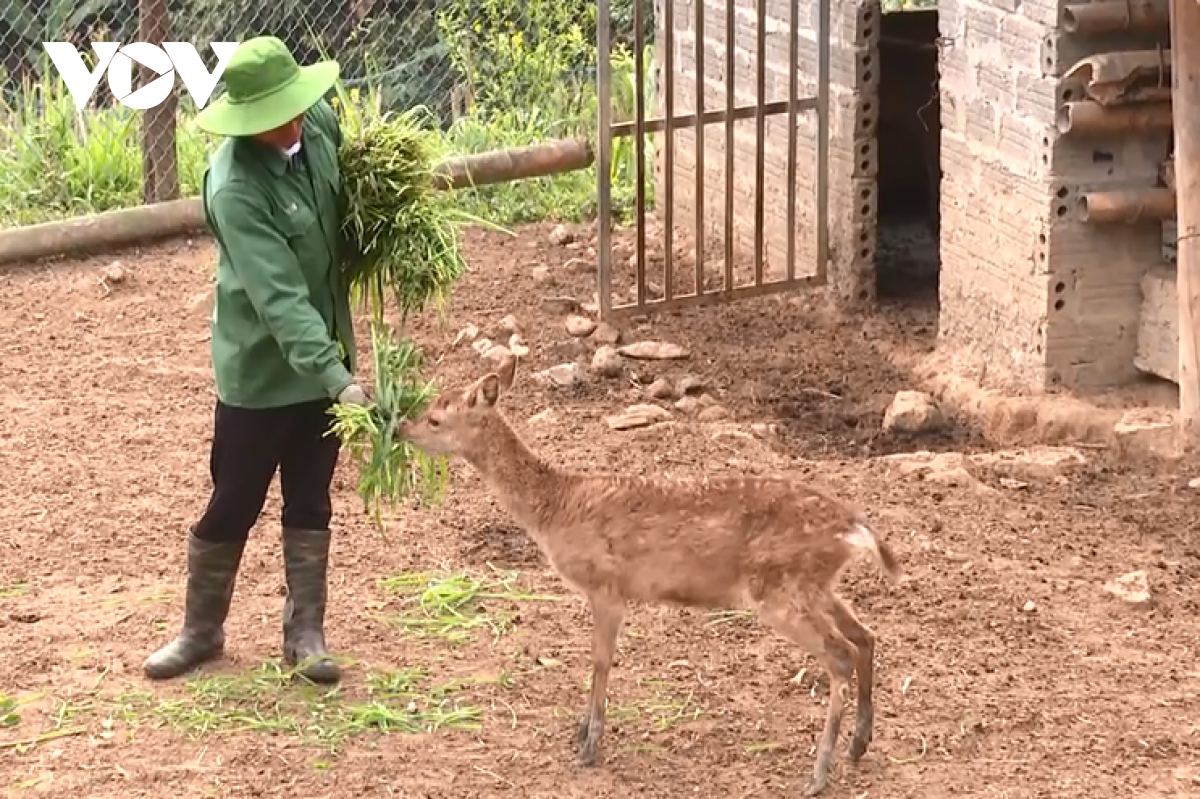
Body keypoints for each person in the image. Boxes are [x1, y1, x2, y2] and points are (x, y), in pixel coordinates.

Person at [144, 36, 367, 684]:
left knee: (311, 497)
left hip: (326, 354)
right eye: (276, 118)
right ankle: (201, 630)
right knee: (235, 499)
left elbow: (348, 191)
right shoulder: (235, 186)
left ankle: (306, 635)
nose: (293, 125)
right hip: (261, 373)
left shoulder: (316, 123)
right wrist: (340, 380)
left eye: (294, 109)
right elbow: (280, 300)